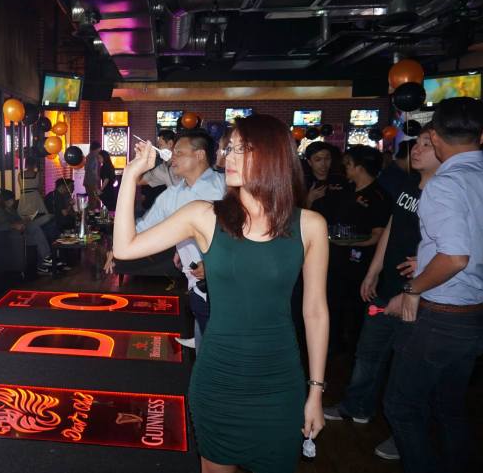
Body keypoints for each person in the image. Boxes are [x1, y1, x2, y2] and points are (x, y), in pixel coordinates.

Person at [114, 115, 328, 473]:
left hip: (279, 381)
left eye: (243, 149)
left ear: (274, 156)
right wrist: (131, 175)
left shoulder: (309, 225)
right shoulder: (204, 215)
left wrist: (316, 391)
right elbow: (124, 247)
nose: (228, 156)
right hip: (218, 380)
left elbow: (316, 311)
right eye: (230, 148)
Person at [323, 124, 440, 461]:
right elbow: (391, 227)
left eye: (427, 144)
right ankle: (356, 406)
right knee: (368, 353)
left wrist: (415, 284)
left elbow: (456, 250)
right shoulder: (409, 184)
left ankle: (406, 434)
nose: (416, 149)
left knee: (406, 367)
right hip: (387, 286)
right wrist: (373, 270)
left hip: (419, 293)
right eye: (417, 142)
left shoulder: (447, 190)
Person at [383, 97, 483, 473]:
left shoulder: (445, 184)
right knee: (449, 407)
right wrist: (428, 263)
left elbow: (455, 258)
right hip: (473, 314)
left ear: (436, 137)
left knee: (402, 406)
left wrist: (413, 289)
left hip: (442, 316)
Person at [106, 130, 224, 351]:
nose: (172, 157)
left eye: (179, 152)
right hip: (196, 283)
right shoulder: (173, 194)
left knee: (222, 343)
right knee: (203, 320)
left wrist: (214, 263)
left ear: (199, 155)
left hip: (228, 285)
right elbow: (143, 227)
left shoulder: (224, 186)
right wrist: (115, 248)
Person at [329, 145, 391, 352]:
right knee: (334, 305)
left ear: (359, 167)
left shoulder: (379, 196)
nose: (344, 168)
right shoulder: (346, 190)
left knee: (357, 311)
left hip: (361, 264)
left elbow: (378, 236)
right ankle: (334, 345)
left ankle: (355, 350)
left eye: (348, 164)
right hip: (337, 260)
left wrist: (348, 242)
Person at [0, 186, 56, 274]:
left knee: (37, 231)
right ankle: (47, 259)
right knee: (35, 230)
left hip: (17, 231)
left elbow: (12, 220)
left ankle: (44, 262)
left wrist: (20, 222)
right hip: (10, 236)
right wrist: (13, 226)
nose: (0, 198)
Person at [304, 141, 347, 225]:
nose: (323, 164)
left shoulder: (341, 180)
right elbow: (295, 215)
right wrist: (309, 199)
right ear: (309, 162)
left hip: (338, 228)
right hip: (312, 228)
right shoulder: (303, 182)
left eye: (327, 159)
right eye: (318, 159)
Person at [83, 141, 102, 209]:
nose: (100, 150)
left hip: (88, 181)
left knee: (92, 200)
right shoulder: (93, 156)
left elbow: (86, 168)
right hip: (91, 182)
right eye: (99, 148)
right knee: (93, 201)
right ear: (97, 148)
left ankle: (89, 213)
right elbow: (92, 169)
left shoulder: (88, 156)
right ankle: (90, 214)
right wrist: (97, 177)